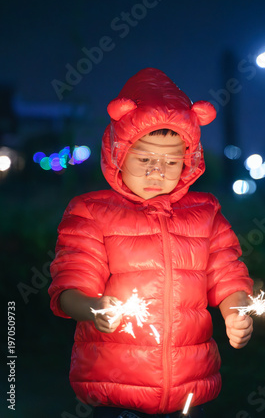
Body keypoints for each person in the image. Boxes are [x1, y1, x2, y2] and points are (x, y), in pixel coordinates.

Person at [48, 68, 254, 418]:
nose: (157, 171)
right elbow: (71, 281)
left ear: (188, 161)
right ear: (118, 154)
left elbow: (228, 273)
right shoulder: (91, 212)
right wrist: (91, 307)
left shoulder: (206, 214)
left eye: (171, 161)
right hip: (116, 393)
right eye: (144, 159)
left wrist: (237, 307)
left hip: (191, 390)